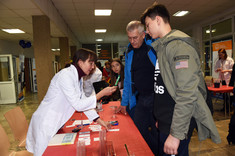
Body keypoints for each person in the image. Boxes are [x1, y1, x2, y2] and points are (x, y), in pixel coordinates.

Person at [141, 3, 221, 156]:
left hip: (177, 124)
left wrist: (176, 134)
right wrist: (161, 118)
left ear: (158, 20)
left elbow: (186, 93)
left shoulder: (179, 47)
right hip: (167, 120)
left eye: (148, 25)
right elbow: (164, 86)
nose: (147, 30)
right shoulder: (163, 47)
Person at [26, 48, 117, 156]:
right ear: (80, 62)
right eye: (90, 63)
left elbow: (83, 101)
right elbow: (78, 105)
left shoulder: (78, 78)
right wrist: (101, 94)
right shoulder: (65, 76)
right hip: (46, 122)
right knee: (45, 153)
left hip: (56, 121)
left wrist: (101, 122)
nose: (93, 67)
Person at [117, 20, 158, 155]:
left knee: (159, 133)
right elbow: (128, 80)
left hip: (156, 98)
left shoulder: (153, 48)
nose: (132, 41)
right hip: (141, 98)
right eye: (129, 37)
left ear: (143, 34)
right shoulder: (130, 52)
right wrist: (124, 103)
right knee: (138, 131)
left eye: (135, 37)